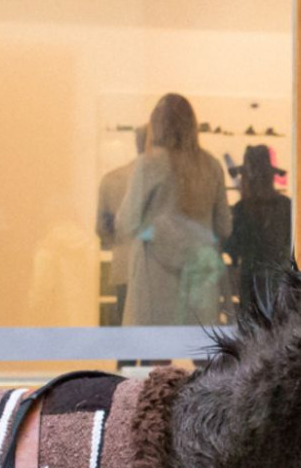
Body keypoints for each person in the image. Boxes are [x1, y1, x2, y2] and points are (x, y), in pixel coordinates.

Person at [116, 93, 231, 326]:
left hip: (155, 273)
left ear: (156, 125)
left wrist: (154, 229)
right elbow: (224, 227)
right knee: (202, 347)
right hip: (200, 274)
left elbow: (127, 221)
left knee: (156, 350)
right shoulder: (211, 165)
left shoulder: (149, 164)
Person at [224, 143, 293, 313]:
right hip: (280, 282)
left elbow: (233, 248)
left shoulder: (242, 209)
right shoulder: (287, 206)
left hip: (251, 285)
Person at [96, 123, 146, 325]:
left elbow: (102, 229)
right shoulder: (168, 180)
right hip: (158, 272)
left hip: (123, 265)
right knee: (155, 344)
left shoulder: (112, 179)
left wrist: (119, 241)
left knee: (124, 338)